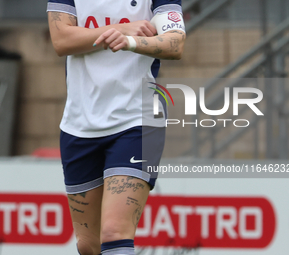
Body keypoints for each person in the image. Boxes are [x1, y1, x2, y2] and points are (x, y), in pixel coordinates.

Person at [47, 1, 186, 254]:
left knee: (114, 233)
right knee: (89, 245)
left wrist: (131, 42)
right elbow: (61, 40)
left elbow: (175, 43)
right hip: (79, 124)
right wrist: (121, 30)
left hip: (138, 121)